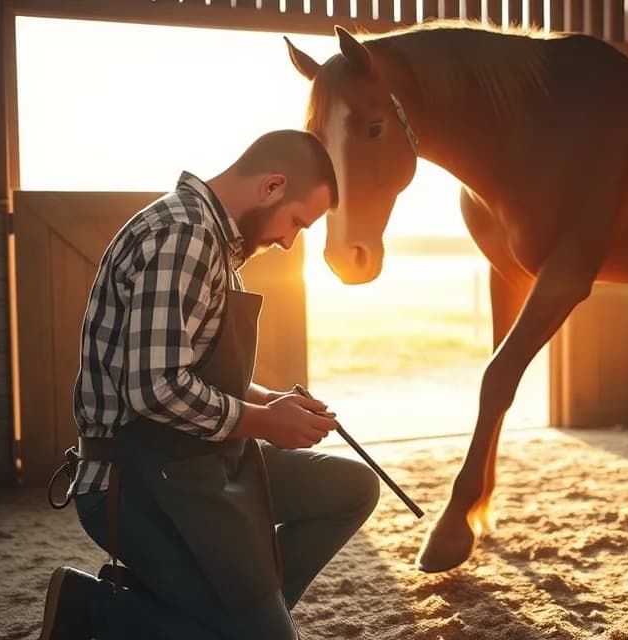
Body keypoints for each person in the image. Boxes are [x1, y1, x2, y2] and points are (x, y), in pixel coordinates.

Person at [38, 129, 381, 640]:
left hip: (199, 466)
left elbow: (196, 372)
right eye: (296, 222)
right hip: (135, 482)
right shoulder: (183, 235)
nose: (290, 240)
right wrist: (265, 422)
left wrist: (272, 401)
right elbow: (154, 387)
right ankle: (89, 608)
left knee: (352, 487)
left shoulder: (215, 243)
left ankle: (238, 615)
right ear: (272, 186)